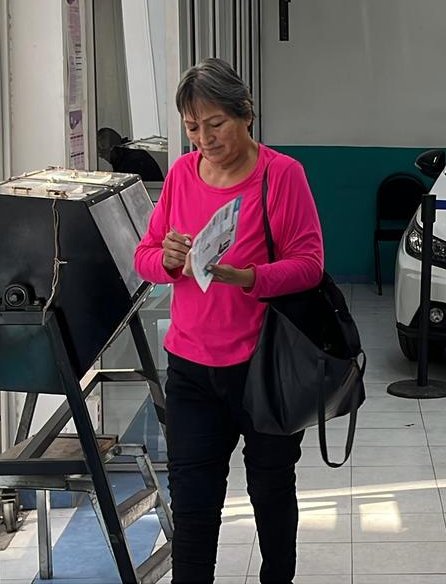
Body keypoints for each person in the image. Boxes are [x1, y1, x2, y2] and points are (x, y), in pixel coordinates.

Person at [133, 58, 323, 584]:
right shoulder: (180, 174)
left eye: (215, 124)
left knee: (270, 491)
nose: (204, 139)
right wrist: (169, 260)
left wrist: (249, 278)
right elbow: (145, 256)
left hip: (264, 368)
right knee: (193, 503)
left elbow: (309, 264)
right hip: (191, 367)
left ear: (246, 114)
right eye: (193, 128)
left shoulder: (281, 175)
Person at [98, 126, 165, 182]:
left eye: (102, 152)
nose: (101, 156)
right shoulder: (127, 154)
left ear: (111, 148)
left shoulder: (131, 160)